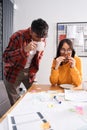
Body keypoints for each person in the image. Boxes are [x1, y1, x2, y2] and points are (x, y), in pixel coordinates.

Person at [3, 18, 49, 105]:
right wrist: (24, 50)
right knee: (15, 102)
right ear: (31, 31)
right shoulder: (17, 36)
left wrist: (34, 71)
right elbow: (5, 57)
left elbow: (39, 56)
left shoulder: (42, 39)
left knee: (36, 95)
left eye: (42, 38)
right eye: (37, 37)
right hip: (14, 71)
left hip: (30, 71)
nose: (39, 41)